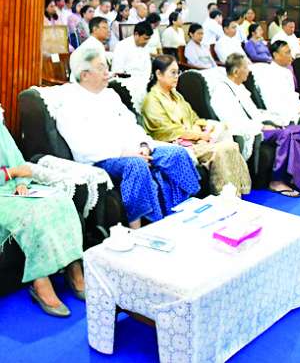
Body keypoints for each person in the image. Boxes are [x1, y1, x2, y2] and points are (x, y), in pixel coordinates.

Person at [55, 50, 200, 228]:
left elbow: (133, 126)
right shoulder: (69, 103)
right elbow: (82, 148)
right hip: (104, 158)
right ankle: (138, 229)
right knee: (136, 165)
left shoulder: (110, 95)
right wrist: (125, 153)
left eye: (106, 67)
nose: (107, 72)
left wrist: (144, 145)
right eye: (101, 68)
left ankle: (182, 212)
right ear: (85, 75)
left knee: (177, 154)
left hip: (135, 150)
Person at [0, 109, 86, 317]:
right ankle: (40, 282)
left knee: (62, 201)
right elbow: (15, 169)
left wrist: (21, 181)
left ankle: (74, 268)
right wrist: (11, 173)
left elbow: (19, 162)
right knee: (33, 214)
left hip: (12, 187)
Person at [211, 53, 300, 197]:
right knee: (288, 134)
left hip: (257, 126)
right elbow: (233, 122)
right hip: (247, 132)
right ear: (236, 72)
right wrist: (261, 127)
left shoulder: (239, 87)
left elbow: (255, 113)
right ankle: (277, 181)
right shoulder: (221, 91)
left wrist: (276, 120)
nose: (249, 71)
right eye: (246, 67)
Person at [142, 55, 251, 196]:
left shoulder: (176, 96)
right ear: (158, 74)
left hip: (194, 139)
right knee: (224, 148)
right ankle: (224, 197)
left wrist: (200, 130)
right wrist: (198, 135)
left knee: (230, 143)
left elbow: (193, 117)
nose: (177, 76)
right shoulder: (151, 100)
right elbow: (165, 131)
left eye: (178, 72)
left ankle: (234, 195)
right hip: (176, 145)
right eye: (173, 72)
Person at [70, 16, 110, 81]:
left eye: (108, 28)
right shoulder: (93, 45)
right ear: (95, 29)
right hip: (83, 82)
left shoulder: (93, 43)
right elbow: (100, 71)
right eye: (104, 28)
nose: (108, 31)